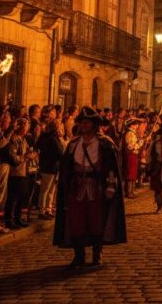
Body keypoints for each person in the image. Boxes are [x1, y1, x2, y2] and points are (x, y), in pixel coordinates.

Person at [53, 107, 126, 269]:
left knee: (96, 221)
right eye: (82, 123)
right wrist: (64, 186)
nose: (84, 126)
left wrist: (111, 187)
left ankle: (96, 254)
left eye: (87, 123)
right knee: (76, 221)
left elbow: (111, 168)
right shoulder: (73, 144)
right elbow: (67, 168)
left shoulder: (105, 144)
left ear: (94, 125)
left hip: (97, 187)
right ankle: (79, 256)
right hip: (76, 188)